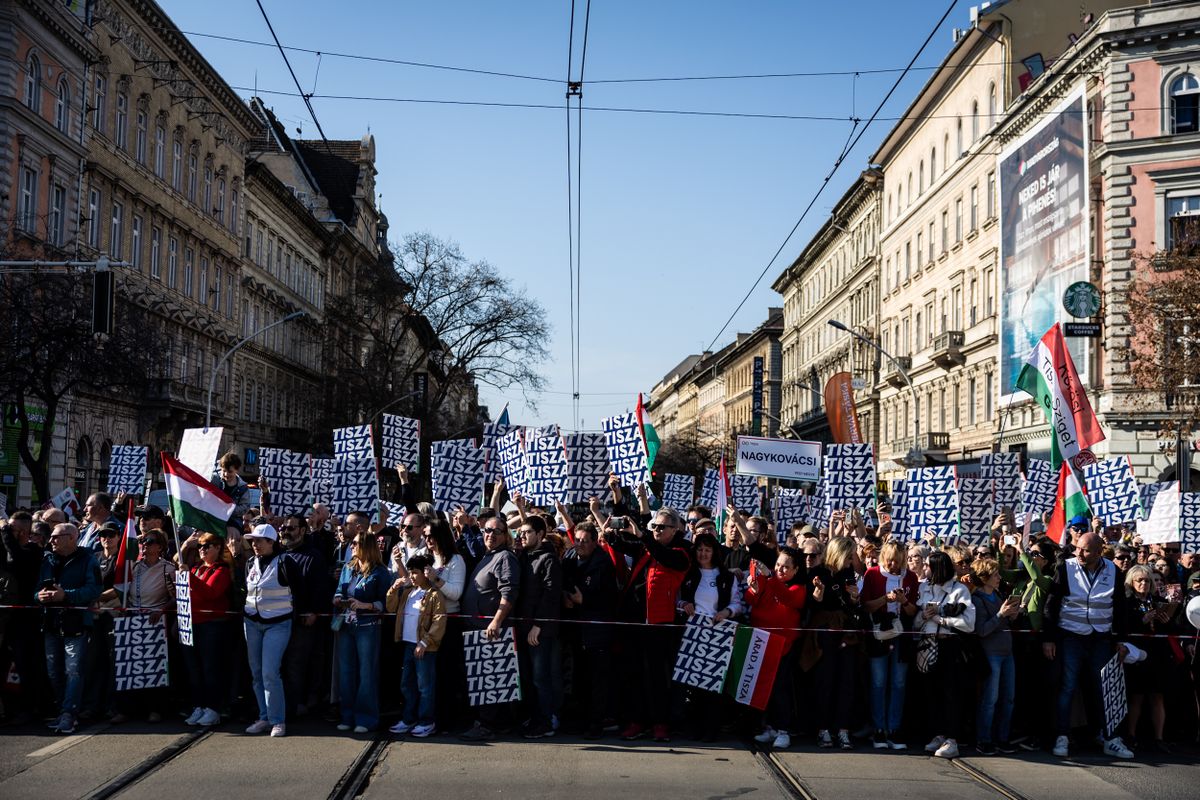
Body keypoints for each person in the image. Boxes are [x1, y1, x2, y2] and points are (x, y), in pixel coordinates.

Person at [1044, 532, 1134, 760]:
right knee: (1068, 686)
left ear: (1098, 551)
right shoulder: (1066, 568)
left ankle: (1110, 738)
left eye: (1085, 550)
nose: (1079, 553)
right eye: (1078, 548)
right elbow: (1051, 604)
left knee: (1106, 687)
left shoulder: (1113, 570)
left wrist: (1121, 640)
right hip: (1071, 636)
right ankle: (1062, 736)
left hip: (1100, 638)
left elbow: (1121, 608)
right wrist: (1049, 638)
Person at [607, 508, 691, 743]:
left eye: (661, 527)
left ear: (675, 530)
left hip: (659, 625)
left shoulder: (682, 551)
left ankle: (660, 723)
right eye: (654, 526)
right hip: (635, 622)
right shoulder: (646, 546)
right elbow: (624, 546)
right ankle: (636, 720)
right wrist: (611, 532)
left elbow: (666, 557)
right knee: (633, 673)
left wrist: (643, 535)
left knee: (656, 677)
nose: (656, 530)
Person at [459, 515, 521, 741]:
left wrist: (496, 620)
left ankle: (487, 725)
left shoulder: (505, 557)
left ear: (506, 536)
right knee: (487, 680)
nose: (490, 535)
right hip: (478, 628)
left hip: (492, 629)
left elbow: (509, 592)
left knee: (491, 681)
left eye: (497, 532)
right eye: (487, 530)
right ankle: (500, 724)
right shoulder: (488, 556)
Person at [37, 522, 102, 734]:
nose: (51, 540)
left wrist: (67, 595)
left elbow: (94, 589)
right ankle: (62, 709)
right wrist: (40, 596)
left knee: (73, 670)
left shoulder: (88, 559)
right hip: (51, 623)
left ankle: (69, 713)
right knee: (53, 671)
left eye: (56, 536)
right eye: (52, 537)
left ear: (72, 538)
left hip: (76, 624)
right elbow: (36, 590)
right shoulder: (47, 559)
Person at [678, 530, 743, 741]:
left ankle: (711, 729)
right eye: (700, 550)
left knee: (714, 686)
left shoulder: (726, 576)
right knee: (693, 684)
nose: (703, 554)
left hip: (718, 635)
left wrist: (726, 612)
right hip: (692, 633)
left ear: (714, 552)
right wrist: (683, 605)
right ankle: (693, 728)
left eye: (707, 550)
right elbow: (675, 599)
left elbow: (737, 604)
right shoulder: (688, 573)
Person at [333, 511, 390, 733]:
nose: (352, 546)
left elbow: (386, 603)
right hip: (346, 624)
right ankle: (347, 715)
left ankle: (366, 718)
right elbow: (339, 589)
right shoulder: (348, 568)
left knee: (366, 672)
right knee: (346, 672)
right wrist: (338, 598)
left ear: (366, 545)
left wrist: (366, 605)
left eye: (356, 543)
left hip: (368, 627)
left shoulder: (380, 572)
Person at [562, 520, 618, 738]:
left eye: (585, 541)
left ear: (595, 542)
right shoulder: (570, 558)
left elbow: (608, 597)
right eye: (577, 540)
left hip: (597, 630)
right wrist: (565, 597)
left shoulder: (603, 564)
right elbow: (563, 581)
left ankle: (597, 723)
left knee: (598, 680)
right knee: (581, 676)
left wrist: (583, 600)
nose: (580, 544)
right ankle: (582, 718)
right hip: (577, 628)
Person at [113, 528, 176, 723]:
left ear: (160, 547)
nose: (145, 544)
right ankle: (125, 709)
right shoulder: (134, 567)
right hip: (133, 619)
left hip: (155, 622)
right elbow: (121, 590)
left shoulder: (168, 569)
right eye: (143, 541)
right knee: (128, 666)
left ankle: (155, 709)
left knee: (154, 667)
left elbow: (177, 597)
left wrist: (163, 610)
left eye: (150, 541)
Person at [861, 540, 918, 750]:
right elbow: (865, 605)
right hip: (880, 633)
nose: (894, 565)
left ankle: (894, 728)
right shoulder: (873, 574)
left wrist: (903, 601)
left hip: (901, 634)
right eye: (890, 560)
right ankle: (878, 727)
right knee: (878, 682)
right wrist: (885, 599)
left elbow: (913, 611)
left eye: (898, 561)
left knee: (899, 682)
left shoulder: (910, 577)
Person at [918, 550, 976, 759]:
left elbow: (969, 624)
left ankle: (953, 739)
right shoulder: (924, 588)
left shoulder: (960, 590)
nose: (924, 569)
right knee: (932, 692)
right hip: (928, 645)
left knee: (951, 693)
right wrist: (924, 616)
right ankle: (938, 734)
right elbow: (917, 621)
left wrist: (942, 620)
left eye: (928, 566)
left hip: (950, 646)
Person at [748, 546, 807, 749]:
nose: (780, 570)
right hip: (761, 642)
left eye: (786, 567)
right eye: (778, 565)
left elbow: (788, 598)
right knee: (766, 688)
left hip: (783, 646)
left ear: (796, 570)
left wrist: (770, 579)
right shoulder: (769, 581)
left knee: (780, 688)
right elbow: (751, 600)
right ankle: (770, 727)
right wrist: (754, 588)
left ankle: (784, 730)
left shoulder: (798, 588)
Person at [808, 536, 863, 750]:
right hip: (825, 632)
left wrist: (855, 598)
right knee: (825, 680)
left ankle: (843, 729)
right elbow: (812, 605)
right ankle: (823, 729)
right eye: (849, 556)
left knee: (846, 681)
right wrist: (818, 594)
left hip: (846, 633)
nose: (851, 561)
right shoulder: (817, 573)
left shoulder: (848, 574)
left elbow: (853, 608)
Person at [243, 522, 296, 737]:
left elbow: (298, 590)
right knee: (256, 673)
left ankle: (277, 720)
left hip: (278, 623)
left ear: (271, 542)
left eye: (258, 540)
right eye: (252, 540)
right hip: (252, 622)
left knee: (269, 672)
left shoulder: (285, 562)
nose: (254, 544)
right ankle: (264, 717)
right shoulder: (250, 562)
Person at [513, 514, 563, 738]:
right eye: (520, 532)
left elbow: (551, 595)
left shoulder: (548, 559)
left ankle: (546, 720)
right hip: (523, 626)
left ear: (540, 535)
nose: (522, 536)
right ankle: (534, 717)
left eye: (527, 532)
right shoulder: (524, 556)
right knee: (527, 676)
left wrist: (539, 625)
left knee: (540, 677)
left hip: (539, 630)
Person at [386, 553, 447, 737]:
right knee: (407, 684)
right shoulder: (408, 592)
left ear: (425, 573)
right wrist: (393, 589)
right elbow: (390, 608)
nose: (411, 576)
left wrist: (425, 641)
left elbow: (439, 620)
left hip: (425, 647)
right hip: (408, 645)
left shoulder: (434, 594)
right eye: (410, 572)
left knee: (425, 686)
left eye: (415, 572)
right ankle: (408, 718)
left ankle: (427, 721)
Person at [278, 513, 330, 720]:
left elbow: (320, 588)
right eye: (284, 528)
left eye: (291, 528)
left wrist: (315, 612)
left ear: (302, 530)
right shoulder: (279, 554)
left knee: (297, 664)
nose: (286, 532)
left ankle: (297, 704)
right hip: (279, 619)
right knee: (283, 664)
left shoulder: (313, 556)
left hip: (303, 621)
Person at [178, 531, 233, 727]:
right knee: (194, 669)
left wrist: (189, 578)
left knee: (211, 668)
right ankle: (199, 705)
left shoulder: (222, 570)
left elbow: (211, 593)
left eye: (207, 546)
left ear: (218, 548)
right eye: (200, 546)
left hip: (212, 625)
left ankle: (213, 707)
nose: (202, 549)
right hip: (192, 624)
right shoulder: (196, 569)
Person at [1122, 564, 1174, 752]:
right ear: (1131, 582)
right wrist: (1142, 620)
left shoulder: (1158, 600)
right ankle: (1131, 735)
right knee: (1136, 696)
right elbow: (1123, 625)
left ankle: (1159, 738)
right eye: (1140, 580)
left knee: (1157, 696)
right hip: (1137, 653)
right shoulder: (1127, 601)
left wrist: (1166, 621)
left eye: (1147, 580)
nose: (1144, 583)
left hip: (1157, 654)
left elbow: (1171, 629)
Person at [972, 556, 1020, 754]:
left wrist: (1012, 614)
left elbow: (1002, 623)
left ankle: (1002, 737)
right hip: (991, 653)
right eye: (995, 574)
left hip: (1006, 652)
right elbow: (981, 630)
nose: (999, 577)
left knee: (1008, 698)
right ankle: (984, 739)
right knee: (990, 699)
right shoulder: (977, 599)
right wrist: (1001, 614)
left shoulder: (999, 594)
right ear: (984, 577)